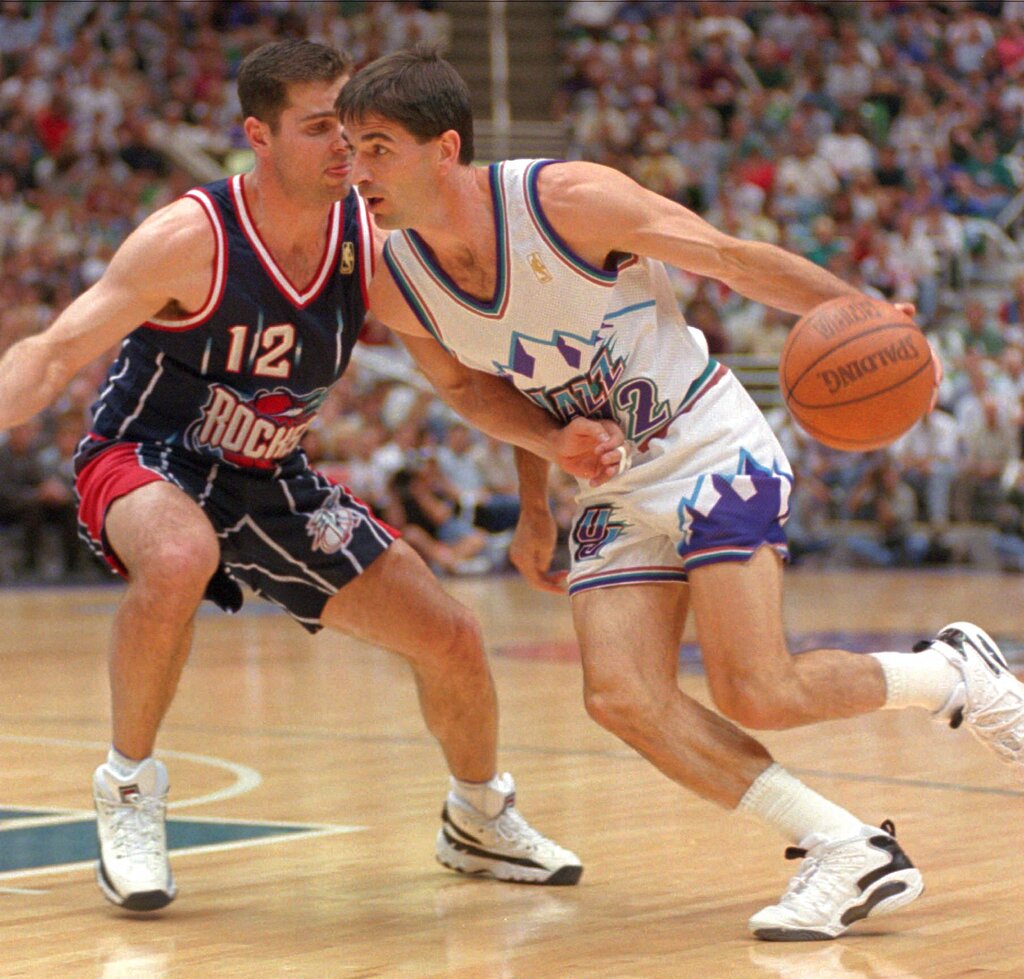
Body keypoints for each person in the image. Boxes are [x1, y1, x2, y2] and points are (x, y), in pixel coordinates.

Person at [337, 46, 1024, 942]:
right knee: (621, 696)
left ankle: (953, 674)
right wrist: (542, 479)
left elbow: (730, 259)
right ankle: (846, 846)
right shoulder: (394, 279)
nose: (358, 171)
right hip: (611, 486)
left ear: (445, 148)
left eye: (378, 148)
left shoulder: (566, 201)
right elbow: (478, 386)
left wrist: (865, 314)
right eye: (350, 149)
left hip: (708, 447)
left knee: (758, 689)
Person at [0, 40, 630, 913]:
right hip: (148, 452)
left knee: (451, 636)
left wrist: (551, 451)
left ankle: (478, 816)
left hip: (271, 476)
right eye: (321, 127)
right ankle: (130, 788)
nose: (346, 146)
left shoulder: (371, 241)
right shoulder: (191, 237)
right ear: (258, 135)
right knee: (179, 556)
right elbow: (52, 352)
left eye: (353, 125)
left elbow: (460, 383)